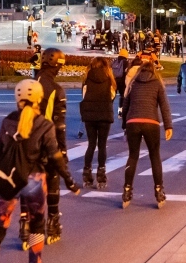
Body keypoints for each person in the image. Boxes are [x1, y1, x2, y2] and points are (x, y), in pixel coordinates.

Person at [0, 79, 80, 263]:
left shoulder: (8, 121)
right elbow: (54, 156)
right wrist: (69, 180)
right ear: (39, 99)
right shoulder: (44, 124)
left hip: (9, 178)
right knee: (37, 227)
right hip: (34, 180)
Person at [35, 47, 80, 244]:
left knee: (29, 183)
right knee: (53, 180)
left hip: (27, 143)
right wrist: (62, 150)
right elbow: (59, 124)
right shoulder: (56, 89)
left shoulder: (28, 85)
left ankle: (25, 223)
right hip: (47, 142)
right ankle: (52, 223)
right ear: (58, 65)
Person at [121, 61, 173, 209]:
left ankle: (127, 190)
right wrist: (168, 126)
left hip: (133, 121)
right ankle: (159, 191)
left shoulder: (133, 83)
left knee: (133, 156)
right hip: (151, 122)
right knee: (154, 156)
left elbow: (126, 105)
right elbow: (164, 106)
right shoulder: (157, 83)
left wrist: (125, 124)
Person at [80, 57, 116, 189]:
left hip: (89, 116)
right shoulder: (109, 80)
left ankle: (87, 174)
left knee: (91, 144)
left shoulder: (86, 80)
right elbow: (112, 96)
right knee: (102, 145)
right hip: (104, 116)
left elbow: (83, 97)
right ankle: (101, 175)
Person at [112, 48, 129, 118]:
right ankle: (120, 112)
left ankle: (108, 110)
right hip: (122, 81)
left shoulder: (115, 61)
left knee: (112, 96)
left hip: (114, 81)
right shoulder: (126, 62)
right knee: (122, 97)